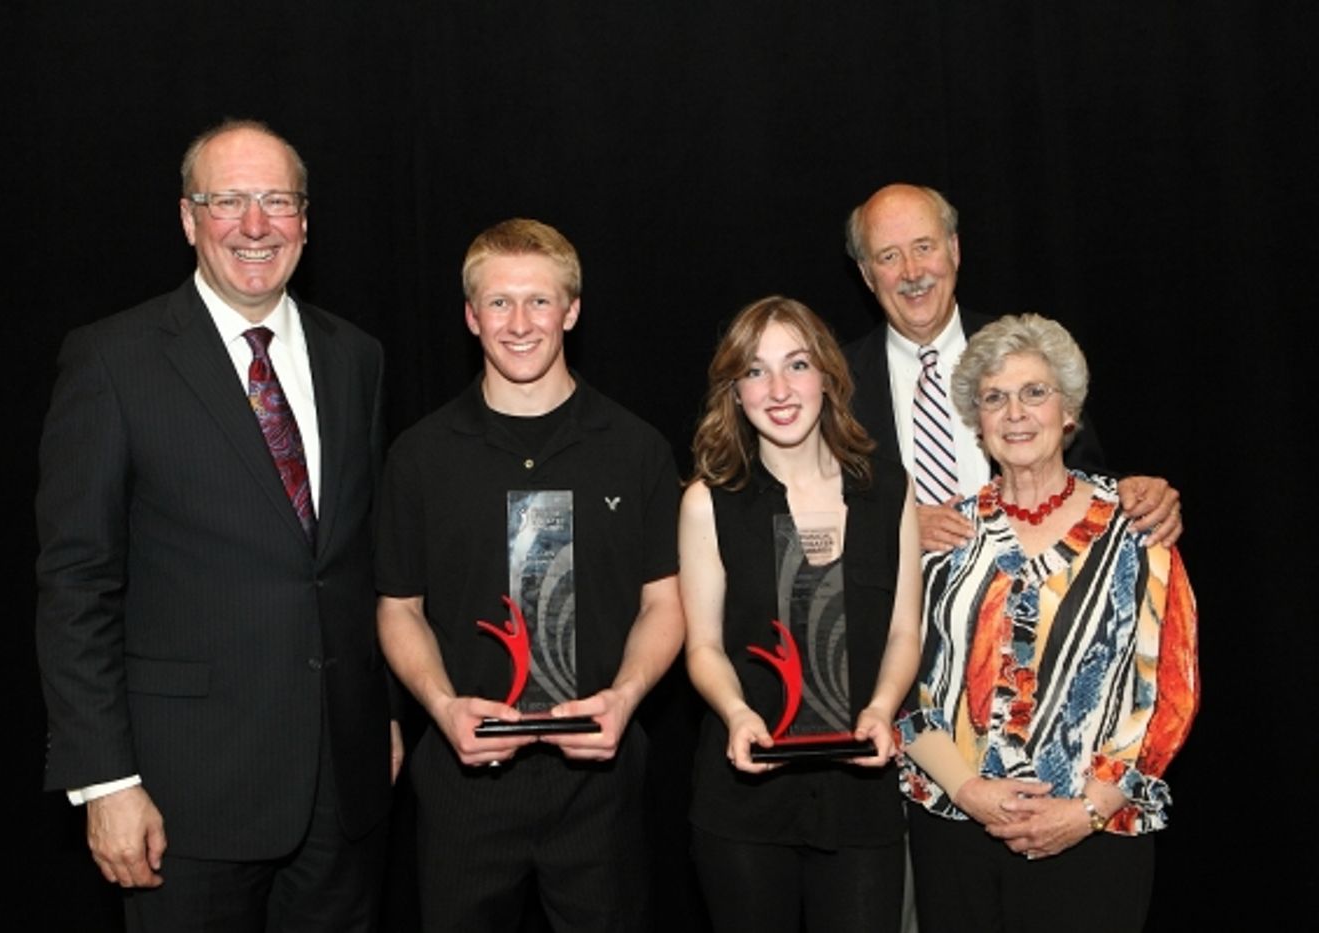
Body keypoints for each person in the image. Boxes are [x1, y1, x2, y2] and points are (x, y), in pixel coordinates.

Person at [35, 119, 399, 932]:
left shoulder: (357, 357)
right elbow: (76, 583)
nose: (255, 224)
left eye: (277, 200)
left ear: (305, 218)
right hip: (183, 795)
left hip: (342, 789)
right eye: (228, 201)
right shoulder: (112, 360)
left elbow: (353, 558)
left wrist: (382, 714)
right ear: (188, 218)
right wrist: (106, 781)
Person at [375, 218, 685, 932]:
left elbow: (664, 602)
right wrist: (444, 704)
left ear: (571, 311)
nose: (520, 323)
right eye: (499, 302)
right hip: (463, 781)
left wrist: (628, 694)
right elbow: (398, 608)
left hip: (599, 784)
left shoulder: (635, 449)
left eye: (539, 302)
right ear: (469, 315)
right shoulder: (419, 457)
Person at [897, 313, 1199, 933]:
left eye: (1035, 393)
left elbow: (1171, 690)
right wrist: (966, 791)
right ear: (976, 421)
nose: (1015, 413)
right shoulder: (939, 537)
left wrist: (1087, 809)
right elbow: (904, 684)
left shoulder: (1137, 529)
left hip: (1094, 836)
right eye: (994, 398)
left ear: (1069, 412)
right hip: (957, 830)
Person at [679, 296, 923, 933]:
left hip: (860, 793)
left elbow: (904, 630)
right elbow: (703, 645)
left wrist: (881, 708)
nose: (779, 390)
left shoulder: (888, 491)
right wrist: (736, 714)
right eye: (756, 372)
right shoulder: (710, 503)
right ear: (734, 391)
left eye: (797, 365)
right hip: (746, 800)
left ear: (829, 377)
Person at [843, 183, 1182, 553]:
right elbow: (808, 520)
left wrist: (1137, 493)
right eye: (889, 256)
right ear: (866, 274)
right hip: (894, 606)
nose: (911, 272)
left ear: (954, 250)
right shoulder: (835, 384)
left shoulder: (1031, 353)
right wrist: (899, 528)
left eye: (924, 247)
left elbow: (1083, 473)